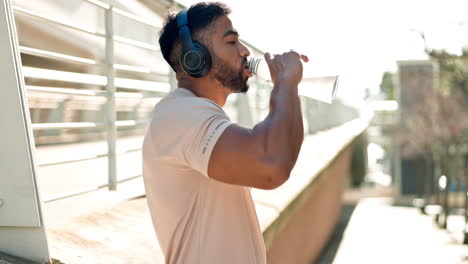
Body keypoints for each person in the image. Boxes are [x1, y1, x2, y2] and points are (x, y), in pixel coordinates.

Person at [142, 2, 307, 263]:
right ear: (194, 56)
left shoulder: (194, 113)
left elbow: (281, 156)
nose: (244, 51)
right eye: (231, 42)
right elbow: (271, 165)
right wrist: (285, 83)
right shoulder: (181, 115)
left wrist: (290, 88)